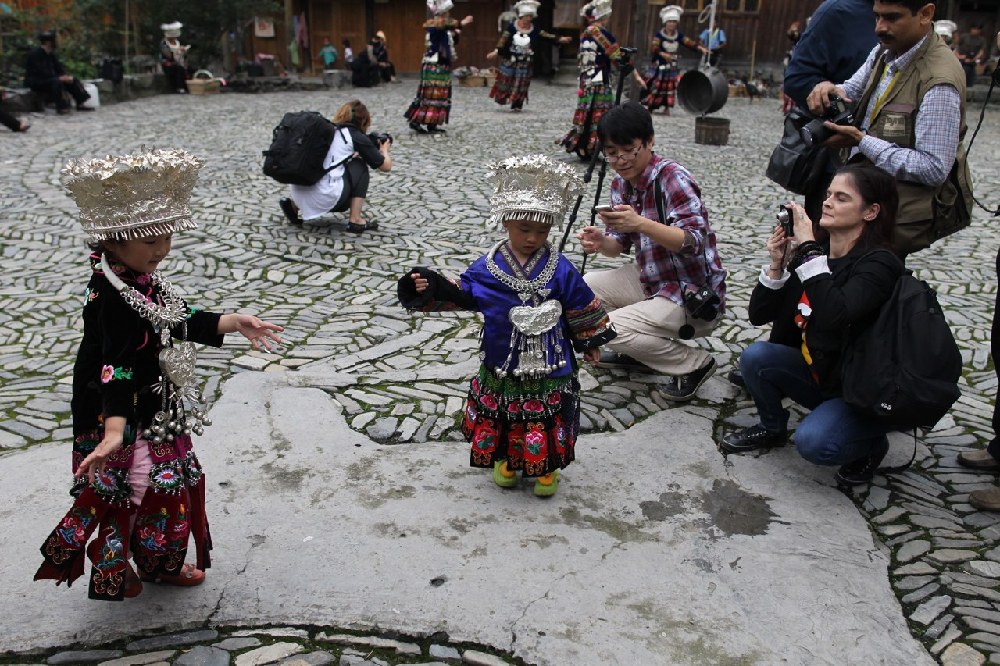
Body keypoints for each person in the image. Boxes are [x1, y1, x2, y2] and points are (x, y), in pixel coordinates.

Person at [33, 148, 284, 601]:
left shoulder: (137, 281)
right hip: (121, 411)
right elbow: (117, 364)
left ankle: (153, 559)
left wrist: (229, 321)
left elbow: (172, 316)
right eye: (151, 242)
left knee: (157, 485)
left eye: (167, 238)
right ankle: (131, 561)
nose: (162, 250)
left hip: (153, 406)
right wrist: (114, 430)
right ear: (113, 240)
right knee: (136, 487)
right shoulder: (111, 296)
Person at [397, 155, 615, 497]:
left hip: (551, 357)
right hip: (503, 355)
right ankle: (507, 458)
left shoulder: (559, 267)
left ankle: (547, 465)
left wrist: (590, 339)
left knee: (549, 408)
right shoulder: (487, 268)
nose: (532, 238)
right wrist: (430, 285)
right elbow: (463, 292)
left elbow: (578, 302)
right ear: (506, 224)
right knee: (505, 409)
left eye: (542, 231)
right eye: (524, 230)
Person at [719, 164, 905, 487]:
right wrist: (778, 265)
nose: (827, 202)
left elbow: (836, 314)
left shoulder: (881, 264)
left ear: (871, 211)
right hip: (820, 372)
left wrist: (807, 251)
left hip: (856, 388)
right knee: (756, 357)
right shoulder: (819, 255)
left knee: (814, 443)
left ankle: (872, 443)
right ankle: (773, 427)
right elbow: (758, 315)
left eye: (842, 198)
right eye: (829, 194)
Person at [577, 102, 727, 402]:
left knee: (607, 329)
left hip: (691, 293)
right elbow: (618, 245)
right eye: (611, 153)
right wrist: (599, 241)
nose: (620, 160)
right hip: (653, 282)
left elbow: (693, 241)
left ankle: (695, 365)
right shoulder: (622, 184)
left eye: (628, 150)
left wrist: (641, 223)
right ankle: (644, 354)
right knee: (584, 287)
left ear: (649, 141)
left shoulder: (673, 179)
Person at [806, 0, 972, 259]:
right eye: (877, 17)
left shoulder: (939, 82)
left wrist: (862, 141)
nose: (880, 27)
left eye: (892, 18)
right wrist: (830, 90)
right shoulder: (886, 50)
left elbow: (933, 168)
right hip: (865, 205)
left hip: (896, 218)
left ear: (925, 14)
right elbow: (852, 89)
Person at [782, 0, 877, 226]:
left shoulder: (914, 21)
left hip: (888, 168)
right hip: (839, 161)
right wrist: (829, 97)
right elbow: (797, 78)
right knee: (828, 249)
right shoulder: (837, 12)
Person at [279, 99, 392, 234]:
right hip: (326, 198)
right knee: (359, 165)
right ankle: (356, 220)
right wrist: (384, 149)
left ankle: (293, 205)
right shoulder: (354, 136)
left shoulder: (326, 131)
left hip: (298, 194)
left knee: (328, 168)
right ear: (363, 122)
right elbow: (386, 166)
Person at [557, 0, 620, 160]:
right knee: (598, 112)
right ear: (604, 17)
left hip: (586, 79)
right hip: (599, 80)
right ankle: (590, 146)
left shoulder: (586, 32)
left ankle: (583, 145)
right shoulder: (601, 33)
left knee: (586, 110)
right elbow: (617, 56)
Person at [486, 0, 570, 111]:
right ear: (521, 17)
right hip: (511, 59)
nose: (529, 19)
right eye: (527, 17)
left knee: (521, 84)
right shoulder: (512, 27)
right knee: (506, 80)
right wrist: (496, 52)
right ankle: (502, 98)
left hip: (525, 61)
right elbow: (503, 40)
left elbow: (546, 36)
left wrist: (559, 39)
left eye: (530, 17)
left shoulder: (534, 29)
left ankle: (517, 103)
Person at [405, 0, 473, 134]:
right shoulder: (436, 23)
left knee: (440, 95)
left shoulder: (444, 27)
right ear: (443, 13)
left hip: (442, 64)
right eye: (447, 12)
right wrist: (462, 23)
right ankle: (416, 120)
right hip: (433, 64)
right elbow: (442, 25)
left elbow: (449, 37)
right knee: (430, 94)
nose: (449, 15)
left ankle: (433, 123)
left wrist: (456, 33)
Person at [643, 5, 700, 115]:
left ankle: (667, 108)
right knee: (656, 85)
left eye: (674, 21)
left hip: (672, 65)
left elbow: (689, 43)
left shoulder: (678, 36)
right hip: (659, 64)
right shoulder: (659, 35)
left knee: (670, 87)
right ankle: (650, 106)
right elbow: (654, 47)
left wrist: (700, 48)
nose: (672, 24)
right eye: (670, 21)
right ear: (665, 22)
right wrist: (662, 54)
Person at [24, 31, 93, 114]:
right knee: (57, 82)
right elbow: (41, 71)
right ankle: (61, 107)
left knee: (72, 80)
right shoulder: (35, 54)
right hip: (37, 80)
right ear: (48, 42)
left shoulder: (50, 54)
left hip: (50, 79)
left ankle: (80, 103)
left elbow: (58, 67)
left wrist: (65, 76)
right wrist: (59, 78)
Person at [159, 21, 190, 94]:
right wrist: (178, 51)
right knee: (179, 69)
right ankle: (179, 87)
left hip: (179, 61)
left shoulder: (177, 42)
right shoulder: (164, 43)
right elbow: (169, 56)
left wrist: (184, 51)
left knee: (188, 69)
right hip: (168, 64)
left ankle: (186, 86)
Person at [958, 24, 985, 88]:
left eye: (977, 29)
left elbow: (981, 51)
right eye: (974, 29)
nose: (975, 31)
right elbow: (957, 47)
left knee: (970, 81)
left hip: (973, 60)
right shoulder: (964, 37)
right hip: (962, 59)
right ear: (971, 29)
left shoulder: (981, 40)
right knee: (962, 75)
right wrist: (959, 56)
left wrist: (974, 59)